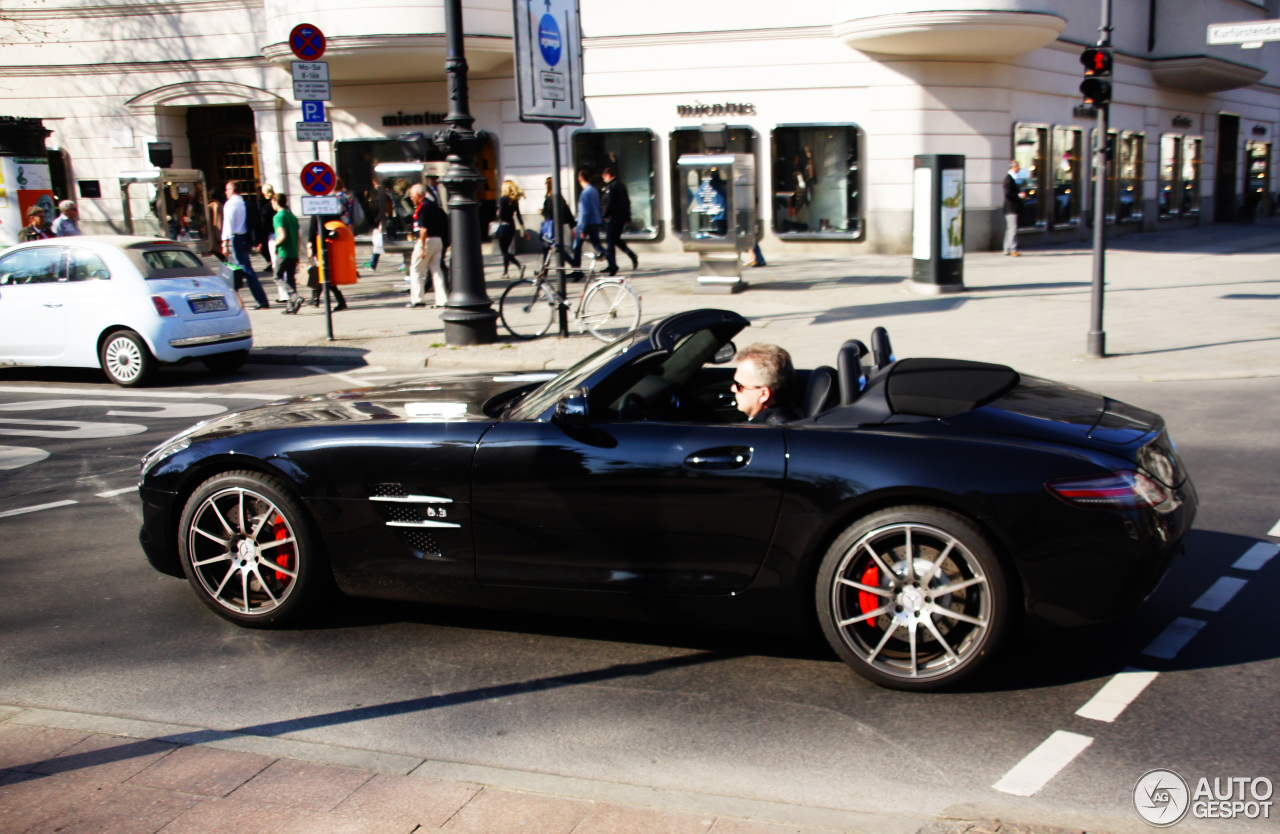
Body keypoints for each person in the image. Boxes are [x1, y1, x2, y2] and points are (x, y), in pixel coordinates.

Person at [221, 180, 271, 309]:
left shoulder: (230, 204)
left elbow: (228, 224)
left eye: (227, 190)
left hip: (237, 238)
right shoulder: (244, 203)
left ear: (232, 190)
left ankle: (261, 300)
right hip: (245, 238)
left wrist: (224, 243)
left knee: (245, 271)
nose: (225, 192)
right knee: (238, 271)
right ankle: (235, 300)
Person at [732, 343, 797, 425]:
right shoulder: (790, 418)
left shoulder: (757, 434)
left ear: (763, 394)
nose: (733, 388)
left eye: (739, 386)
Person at [407, 182, 448, 308]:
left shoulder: (422, 207)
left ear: (418, 195)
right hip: (438, 240)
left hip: (426, 240)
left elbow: (423, 229)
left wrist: (422, 247)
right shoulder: (433, 205)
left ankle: (418, 299)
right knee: (436, 270)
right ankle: (442, 300)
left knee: (416, 269)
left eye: (412, 195)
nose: (410, 198)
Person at [306, 212, 347, 311]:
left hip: (319, 244)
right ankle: (315, 298)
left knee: (324, 274)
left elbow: (313, 228)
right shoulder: (330, 210)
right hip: (331, 244)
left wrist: (310, 244)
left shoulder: (316, 211)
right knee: (323, 273)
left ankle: (340, 301)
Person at [601, 167, 637, 276]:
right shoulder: (621, 185)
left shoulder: (611, 187)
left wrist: (604, 215)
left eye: (604, 178)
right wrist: (628, 217)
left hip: (612, 218)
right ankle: (631, 255)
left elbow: (609, 203)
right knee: (616, 240)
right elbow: (627, 202)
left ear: (608, 175)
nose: (604, 180)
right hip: (620, 218)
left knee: (611, 242)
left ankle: (612, 266)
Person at [569, 167, 604, 278]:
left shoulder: (585, 193)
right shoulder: (594, 190)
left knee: (577, 247)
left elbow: (585, 212)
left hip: (586, 223)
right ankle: (610, 260)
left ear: (579, 179)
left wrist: (582, 228)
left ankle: (577, 271)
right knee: (597, 244)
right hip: (595, 222)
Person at [271, 192, 303, 314]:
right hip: (293, 252)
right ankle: (291, 306)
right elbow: (299, 236)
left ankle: (295, 296)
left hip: (283, 252)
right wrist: (298, 252)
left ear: (275, 202)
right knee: (290, 279)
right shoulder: (292, 216)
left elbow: (282, 235)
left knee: (277, 276)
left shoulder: (278, 217)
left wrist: (276, 244)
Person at [496, 179, 526, 278]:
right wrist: (523, 228)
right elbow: (518, 215)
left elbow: (501, 215)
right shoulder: (514, 201)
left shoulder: (503, 199)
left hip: (504, 226)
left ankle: (519, 265)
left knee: (504, 251)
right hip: (511, 226)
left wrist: (498, 212)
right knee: (506, 250)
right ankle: (505, 272)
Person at [259, 184, 280, 291]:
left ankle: (284, 294)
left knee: (277, 266)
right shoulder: (281, 206)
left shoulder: (266, 208)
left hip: (273, 237)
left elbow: (264, 226)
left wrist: (261, 241)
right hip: (279, 236)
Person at [1003, 160, 1025, 257]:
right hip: (1011, 208)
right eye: (1018, 167)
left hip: (1011, 208)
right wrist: (1019, 195)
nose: (1019, 169)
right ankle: (1013, 249)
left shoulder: (1013, 178)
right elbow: (1008, 194)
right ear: (1014, 167)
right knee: (1012, 229)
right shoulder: (1009, 179)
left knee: (1010, 229)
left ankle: (1006, 249)